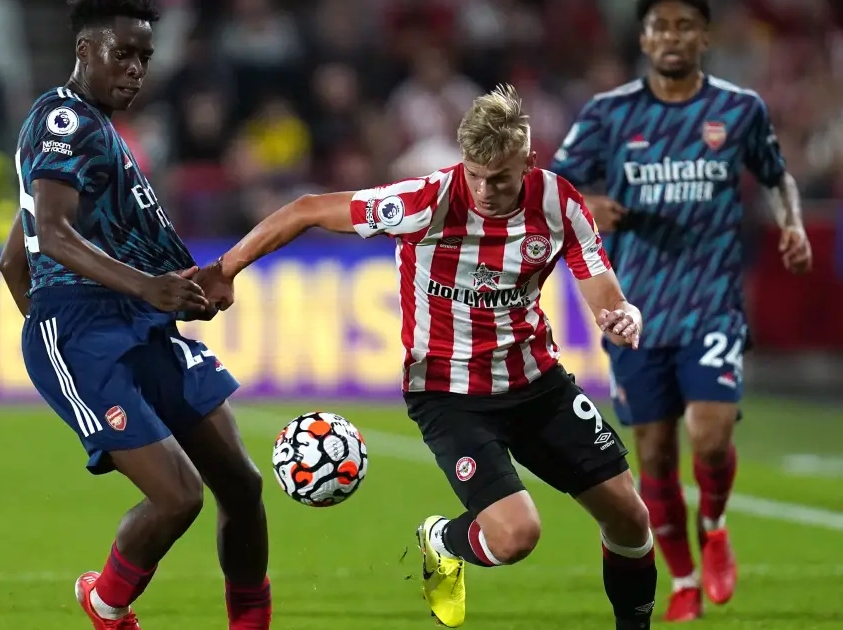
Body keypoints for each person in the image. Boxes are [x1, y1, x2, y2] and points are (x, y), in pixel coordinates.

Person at [196, 85, 658, 630]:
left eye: (500, 179)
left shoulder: (560, 203)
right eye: (475, 174)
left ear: (528, 163)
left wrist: (620, 315)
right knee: (517, 536)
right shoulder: (426, 201)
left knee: (630, 518)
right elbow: (309, 209)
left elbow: (603, 288)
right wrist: (225, 268)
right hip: (448, 395)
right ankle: (442, 540)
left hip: (538, 385)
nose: (484, 190)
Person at [0, 2, 271, 629]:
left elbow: (16, 258)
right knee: (178, 496)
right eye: (122, 54)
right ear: (84, 50)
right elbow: (53, 235)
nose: (136, 70)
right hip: (84, 330)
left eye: (145, 57)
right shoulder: (64, 119)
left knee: (241, 485)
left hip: (131, 321)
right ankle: (106, 603)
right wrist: (66, 339)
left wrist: (177, 291)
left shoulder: (93, 130)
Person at [549, 0, 812, 621]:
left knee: (711, 437)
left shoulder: (738, 109)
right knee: (655, 455)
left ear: (704, 37)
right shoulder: (609, 113)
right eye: (660, 26)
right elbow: (551, 189)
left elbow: (776, 176)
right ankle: (685, 580)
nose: (672, 36)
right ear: (643, 39)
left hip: (712, 302)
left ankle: (714, 525)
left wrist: (793, 224)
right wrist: (590, 202)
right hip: (634, 309)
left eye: (684, 25)